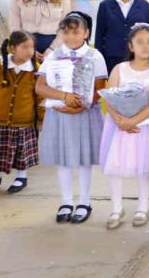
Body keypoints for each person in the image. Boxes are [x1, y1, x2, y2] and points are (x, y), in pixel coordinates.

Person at [36, 12, 107, 224]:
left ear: (86, 33)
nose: (71, 36)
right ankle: (66, 201)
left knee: (84, 159)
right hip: (59, 114)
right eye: (66, 32)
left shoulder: (95, 56)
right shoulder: (53, 56)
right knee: (63, 159)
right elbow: (40, 87)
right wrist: (64, 97)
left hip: (85, 114)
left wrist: (79, 107)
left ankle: (84, 201)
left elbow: (100, 89)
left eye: (76, 31)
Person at [100, 23, 149, 230]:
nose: (145, 46)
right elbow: (109, 97)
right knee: (114, 165)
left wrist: (132, 121)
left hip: (144, 126)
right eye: (140, 42)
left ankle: (142, 207)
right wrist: (120, 120)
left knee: (143, 166)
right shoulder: (120, 69)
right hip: (118, 125)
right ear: (130, 46)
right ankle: (116, 208)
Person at [0, 31, 41, 194]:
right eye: (25, 47)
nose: (30, 51)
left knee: (21, 151)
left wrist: (40, 118)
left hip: (24, 120)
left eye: (32, 47)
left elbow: (40, 97)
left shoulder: (35, 70)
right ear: (13, 48)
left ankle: (21, 176)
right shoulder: (0, 67)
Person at [95, 0, 149, 74]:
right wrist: (99, 57)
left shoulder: (144, 5)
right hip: (112, 56)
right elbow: (99, 34)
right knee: (114, 87)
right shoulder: (105, 6)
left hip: (137, 55)